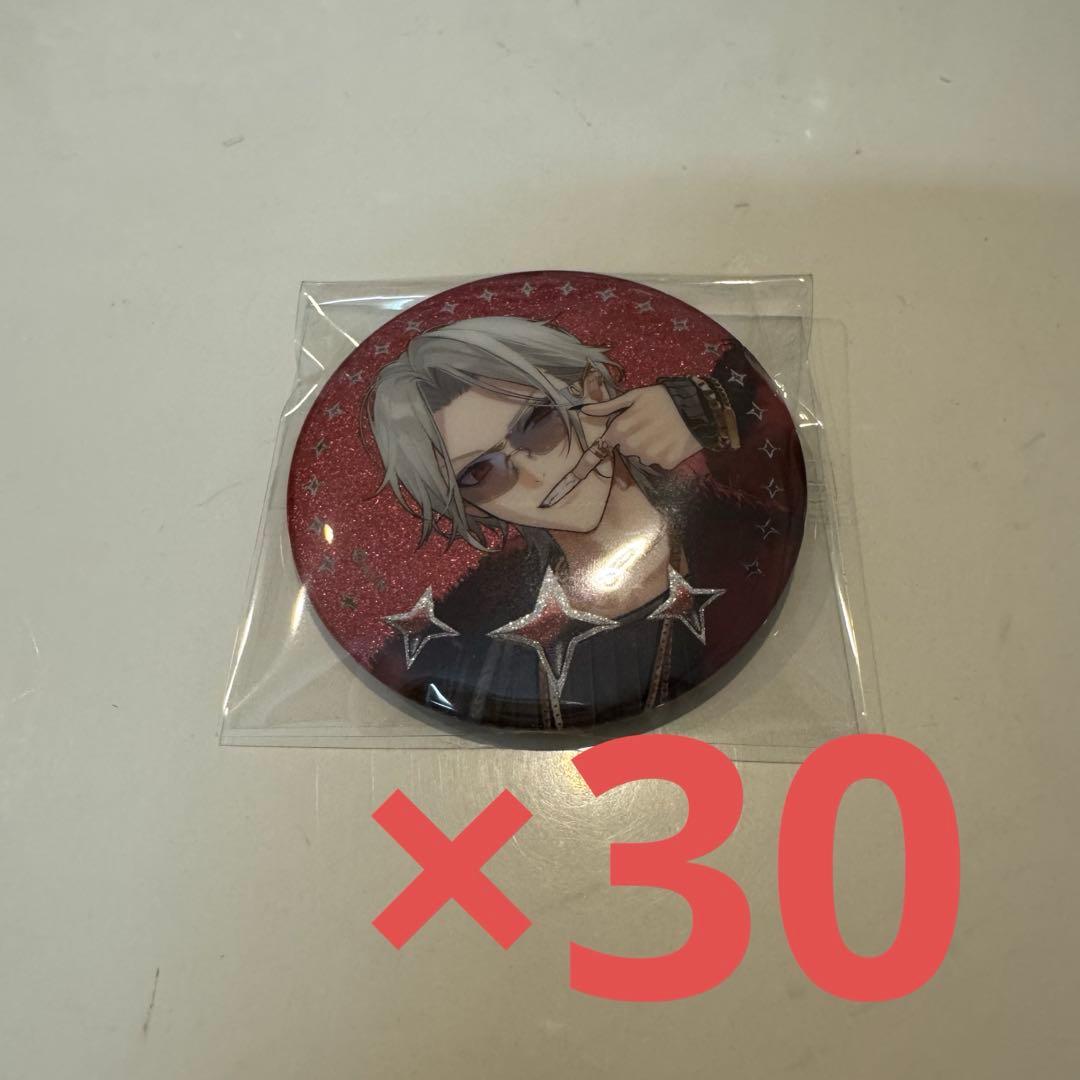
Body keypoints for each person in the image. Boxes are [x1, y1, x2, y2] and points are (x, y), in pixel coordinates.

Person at [365, 316, 803, 730]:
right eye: (480, 473)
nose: (536, 475)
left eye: (539, 421)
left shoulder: (751, 543)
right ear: (470, 507)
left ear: (596, 390)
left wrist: (707, 405)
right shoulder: (482, 638)